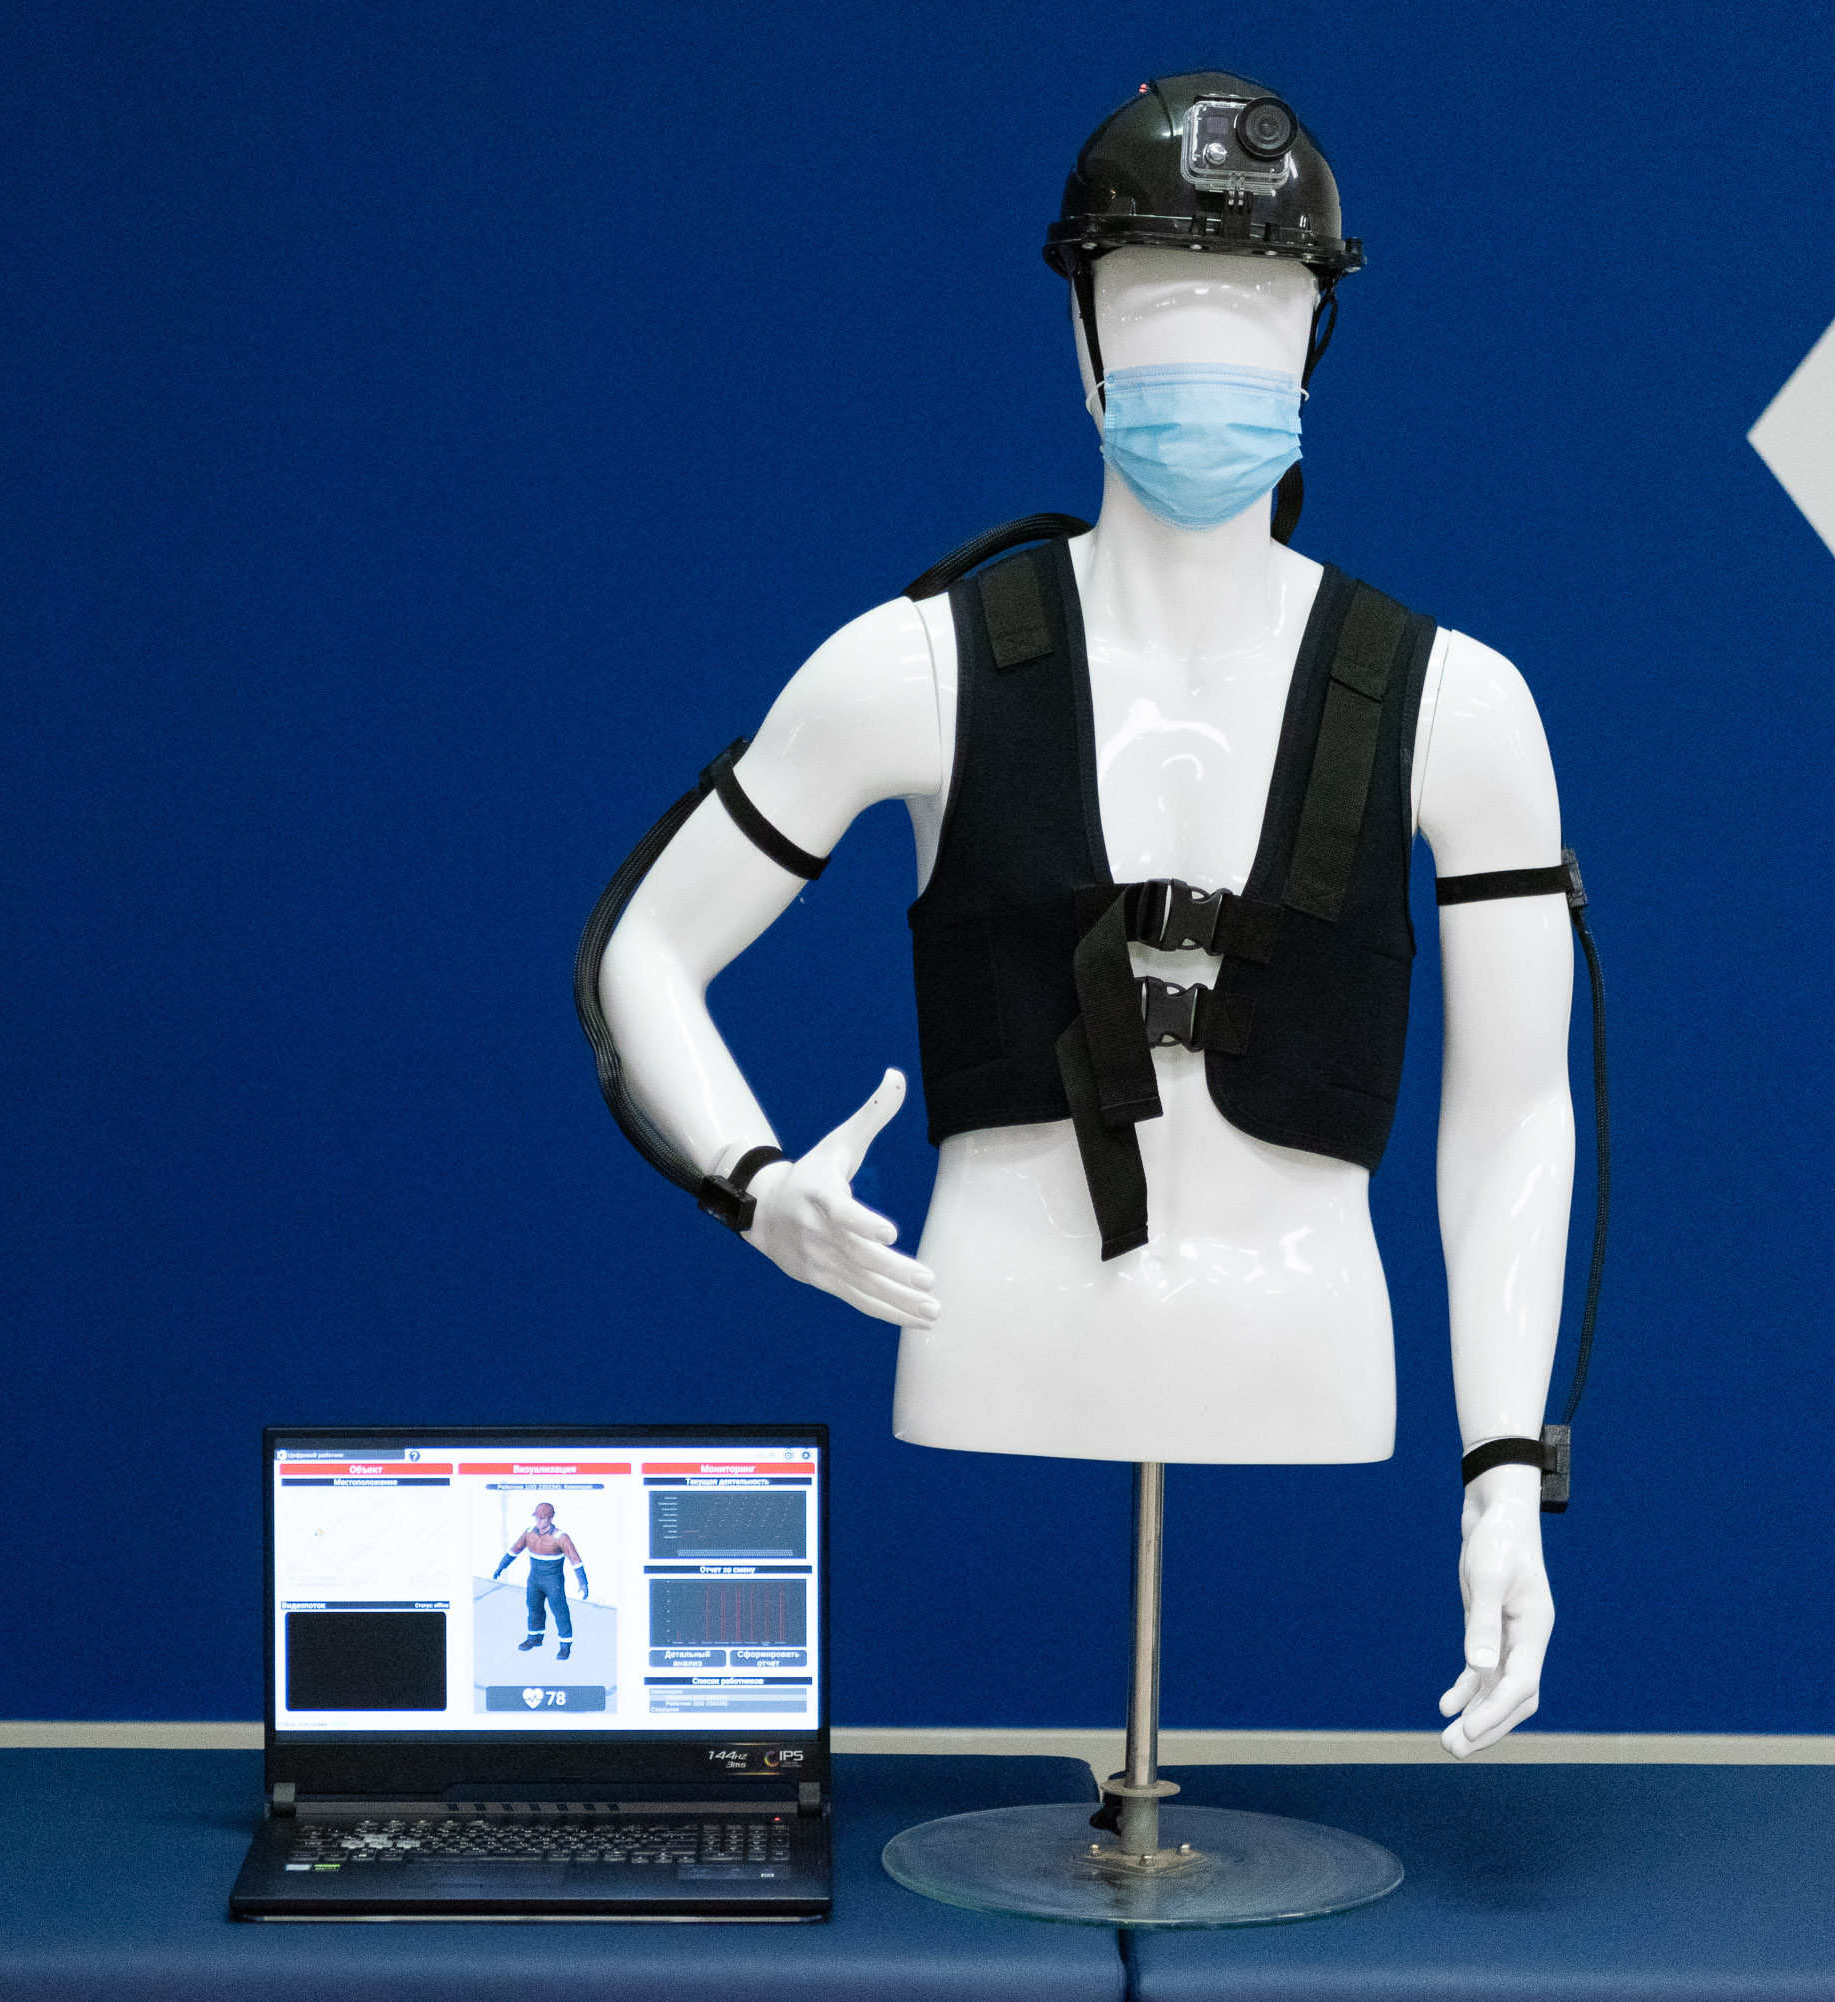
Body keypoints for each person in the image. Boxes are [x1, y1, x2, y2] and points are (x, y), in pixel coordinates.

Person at [592, 74, 1573, 1757]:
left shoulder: (1458, 707)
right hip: (1003, 1333)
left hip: (1307, 1348)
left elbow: (1519, 1112)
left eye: (1255, 303)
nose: (1209, 349)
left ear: (1321, 332)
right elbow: (645, 947)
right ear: (1082, 331)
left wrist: (1502, 1479)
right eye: (1156, 298)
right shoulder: (916, 670)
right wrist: (752, 1184)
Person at [491, 1503, 590, 1661]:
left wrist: (583, 1583)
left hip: (553, 1581)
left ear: (550, 1518)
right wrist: (501, 1566)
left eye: (542, 1518)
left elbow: (575, 1559)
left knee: (560, 1612)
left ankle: (565, 1646)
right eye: (536, 1517)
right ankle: (534, 1638)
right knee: (534, 1609)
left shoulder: (560, 1537)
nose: (538, 1521)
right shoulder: (529, 1533)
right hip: (534, 1580)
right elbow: (514, 1550)